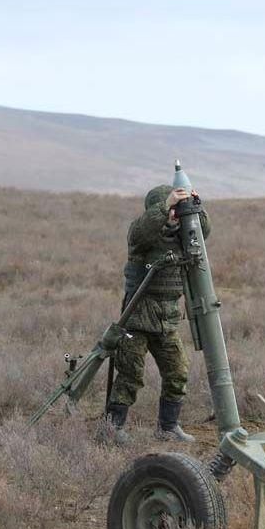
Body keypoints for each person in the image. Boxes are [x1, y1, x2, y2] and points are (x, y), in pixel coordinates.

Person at [103, 184, 210, 444]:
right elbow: (142, 231)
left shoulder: (182, 235)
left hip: (167, 318)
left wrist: (196, 207)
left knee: (178, 372)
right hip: (138, 317)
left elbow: (203, 232)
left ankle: (168, 427)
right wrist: (165, 207)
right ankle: (112, 430)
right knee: (130, 374)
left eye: (176, 208)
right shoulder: (142, 234)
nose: (175, 213)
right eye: (171, 207)